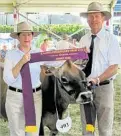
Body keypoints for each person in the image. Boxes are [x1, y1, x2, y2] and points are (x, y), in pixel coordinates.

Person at [79, 2, 121, 136]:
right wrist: (77, 59)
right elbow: (79, 65)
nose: (93, 20)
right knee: (88, 128)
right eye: (90, 16)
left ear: (103, 18)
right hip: (86, 88)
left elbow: (114, 67)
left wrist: (97, 79)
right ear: (87, 19)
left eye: (97, 16)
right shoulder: (83, 39)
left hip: (104, 88)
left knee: (105, 129)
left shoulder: (111, 39)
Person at [3, 21, 42, 136]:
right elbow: (8, 79)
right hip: (15, 97)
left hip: (35, 97)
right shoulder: (11, 54)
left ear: (32, 36)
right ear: (18, 37)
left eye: (29, 34)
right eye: (23, 34)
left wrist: (80, 53)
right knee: (16, 132)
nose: (27, 37)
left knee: (32, 133)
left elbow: (57, 61)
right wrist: (21, 62)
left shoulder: (38, 53)